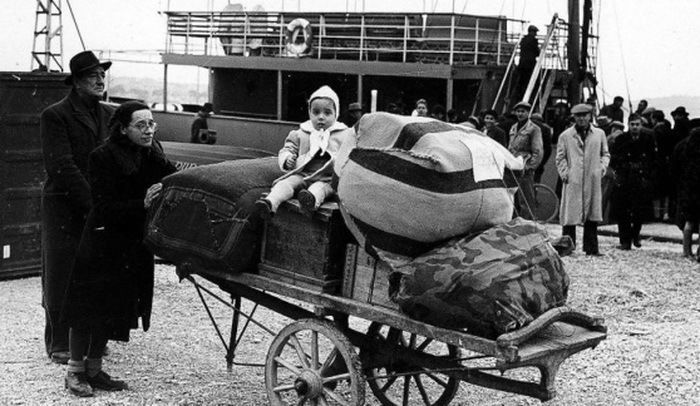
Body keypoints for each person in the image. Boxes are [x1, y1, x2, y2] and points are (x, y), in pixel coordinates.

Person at [61, 101, 177, 396]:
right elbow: (103, 207)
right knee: (86, 307)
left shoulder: (151, 153)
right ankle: (74, 371)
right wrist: (144, 203)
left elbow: (174, 176)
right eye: (141, 125)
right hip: (101, 242)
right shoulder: (102, 157)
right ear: (123, 128)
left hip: (130, 245)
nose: (149, 129)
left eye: (151, 123)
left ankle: (94, 369)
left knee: (112, 307)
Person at [39, 50, 115, 365]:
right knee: (61, 273)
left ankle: (90, 339)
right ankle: (58, 343)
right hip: (63, 207)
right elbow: (62, 166)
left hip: (96, 205)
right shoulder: (55, 115)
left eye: (102, 74)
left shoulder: (109, 115)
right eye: (93, 75)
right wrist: (93, 202)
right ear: (77, 82)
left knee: (94, 271)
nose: (100, 80)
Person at [255, 85, 348, 217]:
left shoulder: (343, 135)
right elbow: (288, 148)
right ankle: (270, 203)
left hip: (327, 178)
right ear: (309, 113)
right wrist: (288, 159)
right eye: (316, 112)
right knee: (287, 183)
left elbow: (349, 155)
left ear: (336, 114)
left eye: (327, 113)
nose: (321, 117)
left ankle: (309, 201)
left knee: (319, 189)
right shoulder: (301, 133)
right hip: (303, 174)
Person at [556, 103, 610, 255]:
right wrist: (565, 173)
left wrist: (601, 168)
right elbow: (560, 157)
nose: (581, 119)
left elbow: (605, 153)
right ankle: (567, 247)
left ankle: (591, 248)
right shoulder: (565, 136)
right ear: (574, 117)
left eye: (584, 115)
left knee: (592, 214)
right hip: (573, 178)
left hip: (592, 177)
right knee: (569, 215)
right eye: (578, 115)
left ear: (590, 116)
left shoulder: (599, 134)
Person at [609, 115, 656, 250]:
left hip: (640, 179)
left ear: (641, 125)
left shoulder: (647, 140)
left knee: (638, 212)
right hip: (625, 178)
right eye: (632, 124)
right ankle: (625, 241)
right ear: (628, 125)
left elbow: (653, 159)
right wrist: (624, 166)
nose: (635, 127)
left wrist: (646, 173)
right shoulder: (621, 139)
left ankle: (635, 234)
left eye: (637, 124)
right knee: (622, 211)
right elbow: (614, 157)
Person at [508, 101, 543, 220]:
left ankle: (527, 224)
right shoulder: (513, 127)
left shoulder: (534, 129)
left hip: (524, 166)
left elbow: (538, 151)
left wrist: (530, 167)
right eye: (518, 111)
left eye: (523, 111)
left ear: (528, 113)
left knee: (526, 198)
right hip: (513, 166)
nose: (520, 114)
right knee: (514, 197)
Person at [515, 25, 540, 101]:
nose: (536, 34)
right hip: (530, 64)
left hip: (522, 64)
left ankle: (519, 97)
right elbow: (537, 52)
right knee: (530, 82)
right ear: (532, 32)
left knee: (521, 82)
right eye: (535, 32)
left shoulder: (523, 40)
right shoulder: (533, 40)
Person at [530, 112, 553, 184]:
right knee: (535, 183)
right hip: (539, 160)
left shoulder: (527, 126)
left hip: (525, 159)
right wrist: (542, 162)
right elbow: (548, 148)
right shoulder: (546, 129)